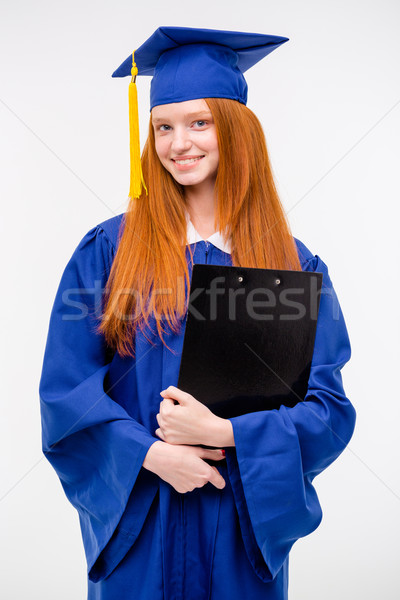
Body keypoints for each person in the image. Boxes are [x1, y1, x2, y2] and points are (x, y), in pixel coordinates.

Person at [39, 26, 356, 600]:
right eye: (163, 126)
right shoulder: (110, 251)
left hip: (238, 531)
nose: (177, 142)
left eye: (199, 123)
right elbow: (66, 393)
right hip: (143, 531)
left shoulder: (291, 264)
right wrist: (153, 456)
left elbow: (329, 412)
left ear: (236, 132)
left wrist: (228, 434)